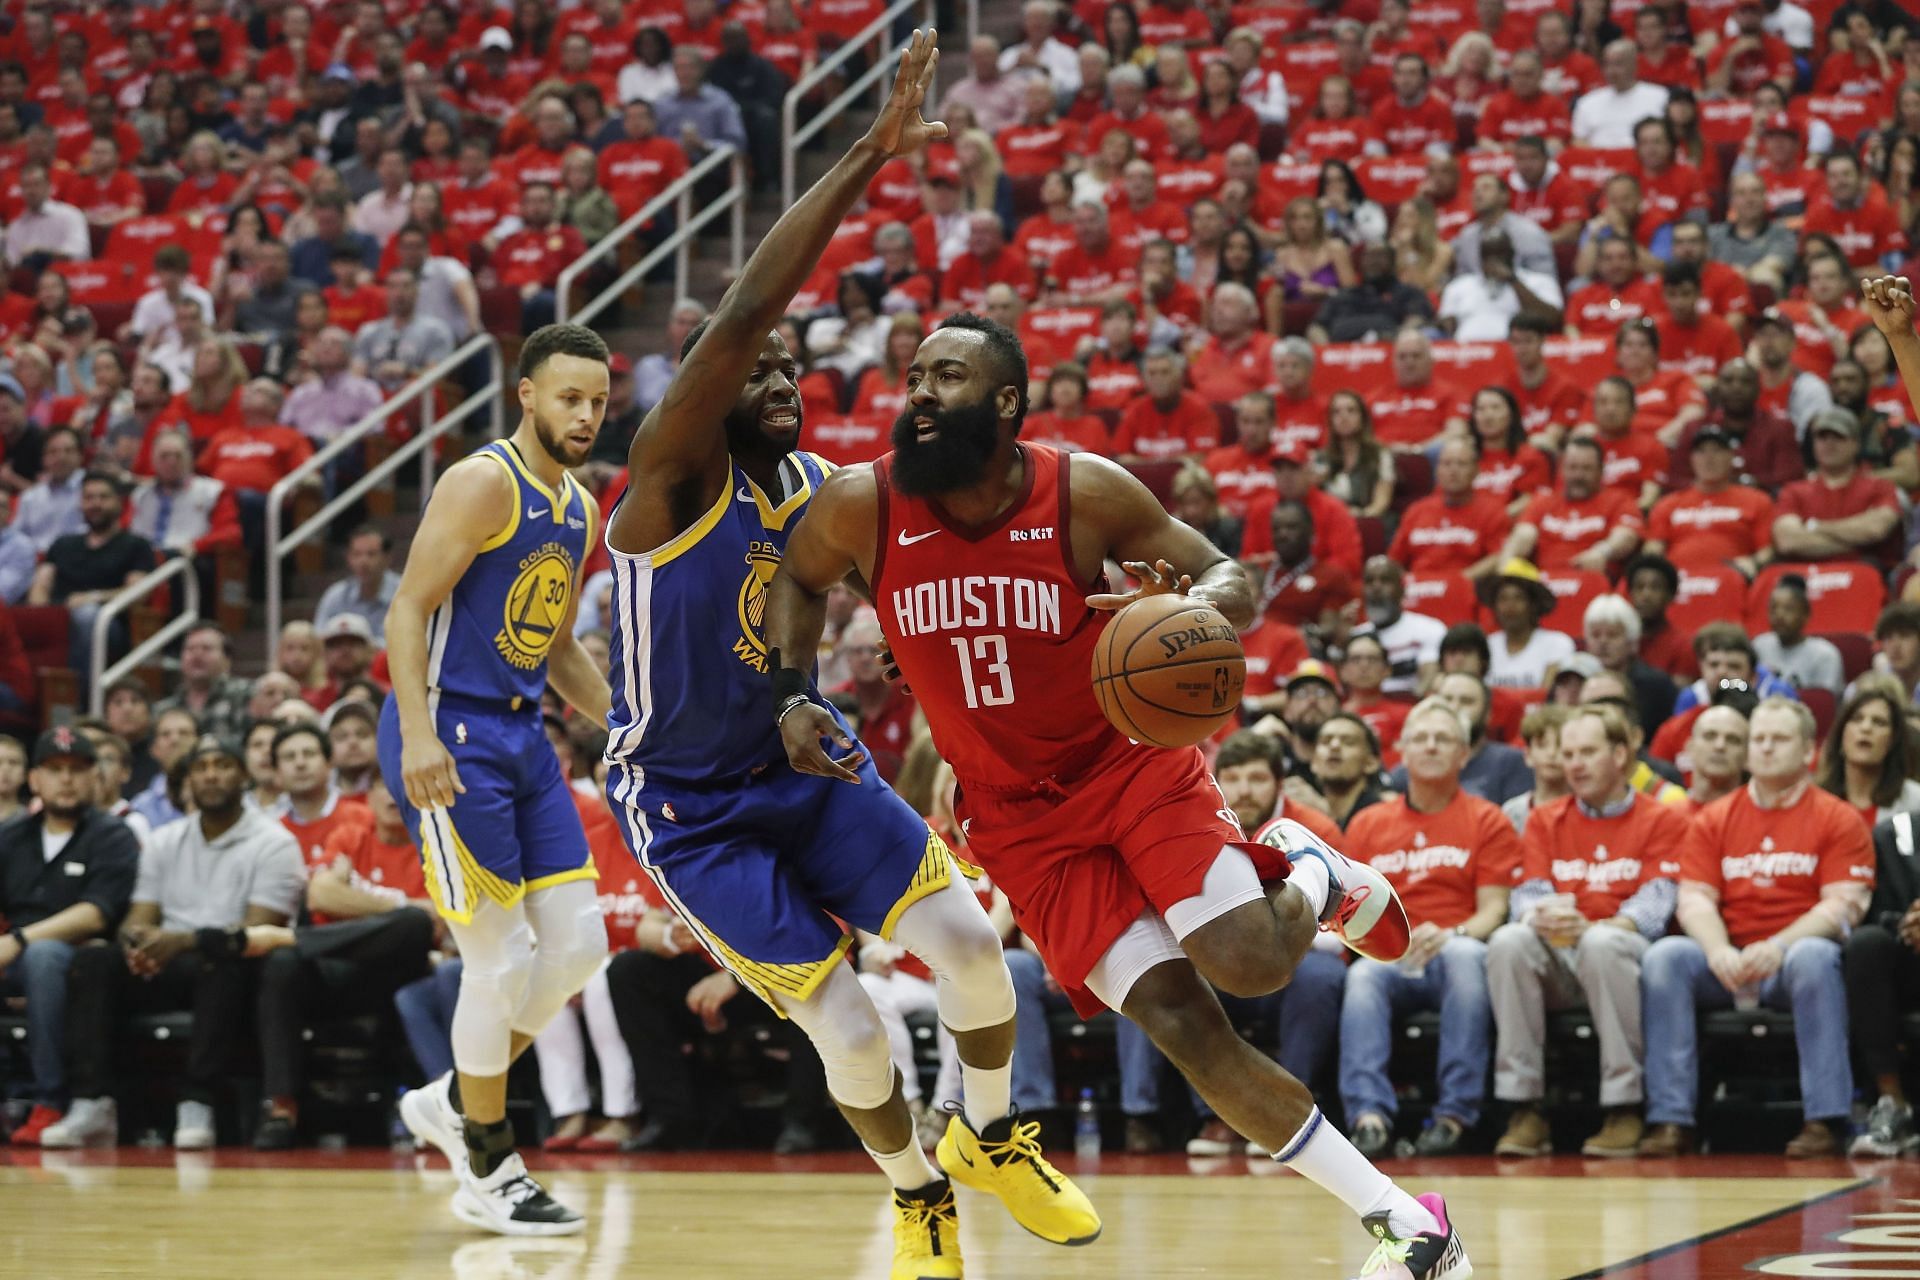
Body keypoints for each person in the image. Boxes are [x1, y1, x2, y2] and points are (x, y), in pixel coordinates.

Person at [765, 273, 1472, 1280]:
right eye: (915, 375)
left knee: (1253, 961)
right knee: (1184, 1023)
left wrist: (1186, 608)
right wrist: (795, 691)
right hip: (1017, 819)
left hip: (1130, 765)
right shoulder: (862, 504)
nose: (919, 393)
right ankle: (1414, 1224)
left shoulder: (1083, 491)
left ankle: (1313, 868)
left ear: (1006, 402)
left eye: (948, 377)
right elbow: (796, 575)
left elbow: (1226, 569)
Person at [595, 37, 1101, 1278]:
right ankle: (917, 1191)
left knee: (978, 951)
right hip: (690, 802)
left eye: (788, 368)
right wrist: (867, 155)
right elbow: (748, 310)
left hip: (812, 761)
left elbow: (950, 618)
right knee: (850, 1020)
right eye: (750, 367)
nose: (776, 374)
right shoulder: (664, 486)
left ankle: (989, 1135)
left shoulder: (832, 494)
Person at [379, 324, 616, 1235]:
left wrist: (626, 727)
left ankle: (453, 1096)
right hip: (454, 733)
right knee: (499, 957)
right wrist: (414, 733)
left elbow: (554, 643)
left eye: (596, 400)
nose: (586, 415)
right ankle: (488, 1160)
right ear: (526, 394)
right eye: (569, 398)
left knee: (580, 947)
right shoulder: (483, 482)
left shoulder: (581, 507)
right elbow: (408, 606)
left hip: (525, 740)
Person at [42, 735, 305, 1150]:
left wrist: (178, 942)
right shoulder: (164, 840)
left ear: (244, 777)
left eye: (222, 765)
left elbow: (254, 932)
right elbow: (137, 918)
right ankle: (92, 1101)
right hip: (169, 958)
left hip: (234, 962)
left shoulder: (275, 843)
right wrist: (138, 945)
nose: (211, 774)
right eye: (201, 767)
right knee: (94, 961)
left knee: (220, 964)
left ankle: (196, 1101)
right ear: (187, 782)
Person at [1639, 698, 1873, 1159]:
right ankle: (1671, 1120)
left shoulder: (1837, 817)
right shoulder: (1714, 818)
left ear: (1809, 750)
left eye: (1779, 739)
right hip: (1728, 959)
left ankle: (1824, 1119)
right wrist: (1717, 949)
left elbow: (1844, 907)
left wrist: (1779, 945)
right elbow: (1694, 899)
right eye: (1759, 739)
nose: (1765, 749)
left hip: (1792, 959)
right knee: (1665, 957)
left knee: (1815, 955)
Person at [1489, 705, 1686, 1159]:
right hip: (1561, 956)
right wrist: (1537, 916)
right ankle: (1524, 1108)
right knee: (1508, 941)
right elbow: (1527, 894)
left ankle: (1624, 1107)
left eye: (1588, 752)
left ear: (1621, 755)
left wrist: (1594, 927)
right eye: (1568, 753)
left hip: (1625, 952)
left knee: (1602, 943)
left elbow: (1655, 908)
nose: (1573, 763)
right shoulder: (1544, 818)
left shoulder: (1663, 818)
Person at [1341, 698, 1520, 1158]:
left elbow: (1494, 910)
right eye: (1420, 738)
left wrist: (1452, 934)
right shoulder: (1367, 824)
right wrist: (1382, 945)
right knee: (1361, 976)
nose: (1431, 746)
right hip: (1387, 956)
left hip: (1455, 946)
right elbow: (1346, 909)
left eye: (1443, 739)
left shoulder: (1487, 819)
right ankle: (1369, 1118)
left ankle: (1453, 1117)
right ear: (1401, 752)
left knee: (1465, 959)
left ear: (1464, 754)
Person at [0, 729, 140, 1147]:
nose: (66, 779)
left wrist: (18, 940)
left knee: (45, 957)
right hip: (13, 956)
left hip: (82, 961)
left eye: (77, 770)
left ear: (95, 778)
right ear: (35, 780)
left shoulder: (112, 835)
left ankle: (51, 1100)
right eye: (55, 770)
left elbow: (95, 914)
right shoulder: (11, 836)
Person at [1844, 809, 1920, 1156]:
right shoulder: (1896, 831)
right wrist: (1908, 926)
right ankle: (1893, 1105)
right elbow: (1880, 914)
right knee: (1867, 945)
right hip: (1912, 964)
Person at [1815, 680, 1920, 828]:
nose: (1866, 728)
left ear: (1893, 740)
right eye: (1857, 719)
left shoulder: (1915, 801)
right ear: (1841, 735)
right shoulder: (1814, 799)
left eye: (1879, 722)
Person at [1478, 560, 1575, 690]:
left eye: (1519, 598)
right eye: (1503, 598)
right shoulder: (1486, 645)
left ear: (1534, 605)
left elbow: (1546, 697)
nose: (1509, 606)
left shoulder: (1557, 643)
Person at [1751, 574, 1843, 695]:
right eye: (1773, 608)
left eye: (1788, 608)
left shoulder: (1825, 655)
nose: (1779, 615)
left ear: (1805, 614)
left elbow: (1825, 703)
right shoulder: (1758, 646)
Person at [314, 526, 400, 645]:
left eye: (371, 554)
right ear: (348, 558)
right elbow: (318, 640)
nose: (363, 562)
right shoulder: (335, 595)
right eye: (357, 554)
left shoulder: (403, 592)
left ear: (387, 558)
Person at [1503, 705, 1571, 832]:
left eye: (1560, 745)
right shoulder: (1511, 812)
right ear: (1528, 755)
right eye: (1542, 745)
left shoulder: (1587, 810)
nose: (1551, 753)